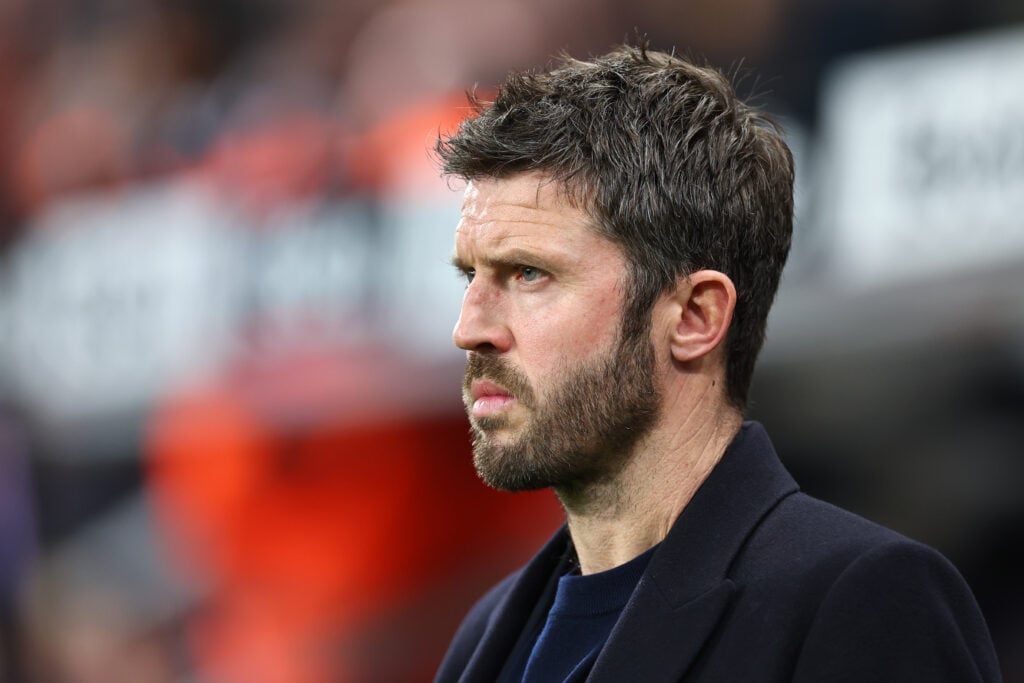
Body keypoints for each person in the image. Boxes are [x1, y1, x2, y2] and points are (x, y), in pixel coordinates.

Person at [433, 44, 1001, 682]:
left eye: (529, 273)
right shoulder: (487, 635)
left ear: (695, 317)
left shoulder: (863, 600)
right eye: (471, 276)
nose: (469, 329)